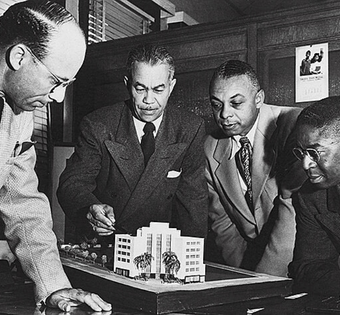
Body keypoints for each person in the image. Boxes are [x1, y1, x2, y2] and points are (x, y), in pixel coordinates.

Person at [0, 0, 112, 312]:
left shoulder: (18, 114)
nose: (58, 97)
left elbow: (23, 206)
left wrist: (55, 287)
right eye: (56, 81)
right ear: (19, 56)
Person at [57, 43, 208, 243]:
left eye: (158, 89)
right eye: (140, 88)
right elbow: (72, 184)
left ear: (171, 87)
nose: (148, 100)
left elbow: (193, 204)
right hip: (105, 245)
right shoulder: (98, 125)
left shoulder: (190, 128)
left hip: (160, 248)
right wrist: (90, 208)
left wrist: (192, 257)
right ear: (128, 83)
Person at [204, 59, 306, 276]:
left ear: (259, 98)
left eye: (236, 103)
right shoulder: (210, 147)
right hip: (253, 269)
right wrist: (245, 278)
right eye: (216, 104)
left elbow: (295, 213)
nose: (224, 114)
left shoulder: (294, 126)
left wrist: (265, 279)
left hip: (302, 261)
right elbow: (223, 225)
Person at [288, 96, 340, 296]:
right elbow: (308, 265)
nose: (305, 164)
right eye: (301, 153)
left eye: (314, 153)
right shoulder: (311, 197)